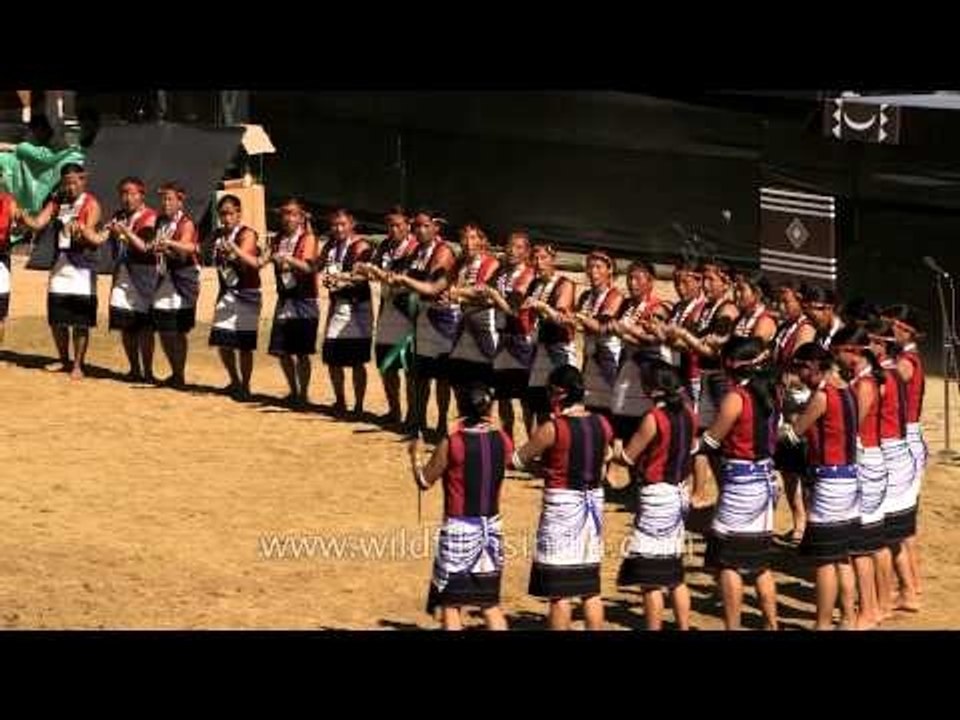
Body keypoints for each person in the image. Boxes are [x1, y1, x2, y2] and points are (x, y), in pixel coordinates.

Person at [512, 365, 614, 630]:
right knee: (589, 588)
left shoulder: (553, 428)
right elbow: (607, 459)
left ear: (559, 393)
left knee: (559, 592)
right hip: (592, 504)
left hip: (562, 508)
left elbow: (517, 460)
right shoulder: (602, 423)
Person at [407, 381, 512, 630]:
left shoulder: (452, 442)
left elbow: (424, 481)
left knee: (451, 604)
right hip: (492, 527)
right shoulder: (503, 441)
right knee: (489, 604)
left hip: (459, 528)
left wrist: (415, 456)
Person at [699, 337, 779, 630]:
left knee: (727, 561)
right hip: (765, 478)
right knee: (758, 561)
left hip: (740, 485)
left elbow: (712, 439)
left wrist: (690, 446)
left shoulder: (737, 397)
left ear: (732, 365)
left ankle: (733, 626)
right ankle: (771, 624)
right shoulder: (772, 390)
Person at [780, 342, 860, 629]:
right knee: (842, 556)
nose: (800, 375)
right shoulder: (847, 389)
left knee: (825, 559)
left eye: (801, 368)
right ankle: (848, 618)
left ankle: (823, 623)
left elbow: (794, 434)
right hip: (848, 478)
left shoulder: (822, 397)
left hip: (829, 481)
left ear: (813, 366)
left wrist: (782, 421)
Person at [612, 359, 695, 630]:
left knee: (650, 576)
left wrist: (614, 452)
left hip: (658, 495)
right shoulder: (688, 412)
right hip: (680, 490)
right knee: (674, 569)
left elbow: (628, 457)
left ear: (651, 388)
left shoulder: (654, 418)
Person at [17, 163, 105, 380]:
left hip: (82, 268)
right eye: (67, 183)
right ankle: (63, 359)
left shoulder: (91, 204)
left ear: (83, 180)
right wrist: (23, 216)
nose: (71, 187)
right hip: (60, 265)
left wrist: (80, 231)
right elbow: (38, 223)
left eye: (75, 182)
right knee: (57, 318)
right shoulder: (58, 201)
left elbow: (91, 232)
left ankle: (78, 364)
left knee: (80, 320)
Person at [389, 210, 457, 436]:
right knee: (421, 374)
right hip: (421, 315)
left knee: (443, 377)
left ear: (436, 227)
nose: (420, 230)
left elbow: (431, 285)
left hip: (442, 319)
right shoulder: (418, 250)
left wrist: (404, 280)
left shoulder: (444, 251)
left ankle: (441, 422)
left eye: (425, 225)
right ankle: (418, 418)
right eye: (416, 226)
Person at [882, 303, 925, 597]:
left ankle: (908, 588)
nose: (887, 331)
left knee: (897, 520)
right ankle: (912, 584)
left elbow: (887, 384)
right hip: (908, 437)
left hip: (904, 438)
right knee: (904, 521)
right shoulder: (904, 357)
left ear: (904, 329)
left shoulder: (906, 362)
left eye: (891, 325)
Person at [364, 207, 419, 426]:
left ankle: (412, 414)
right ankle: (394, 411)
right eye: (390, 225)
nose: (393, 229)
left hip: (408, 312)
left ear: (408, 226)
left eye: (398, 225)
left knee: (408, 370)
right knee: (387, 366)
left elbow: (406, 278)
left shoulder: (415, 248)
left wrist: (379, 274)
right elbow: (375, 270)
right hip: (387, 309)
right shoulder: (384, 246)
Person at [318, 208, 374, 417]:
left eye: (342, 224)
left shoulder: (362, 246)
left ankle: (359, 405)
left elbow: (363, 277)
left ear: (352, 223)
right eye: (334, 225)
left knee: (357, 360)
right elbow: (316, 266)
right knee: (332, 356)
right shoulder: (330, 246)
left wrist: (341, 279)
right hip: (338, 306)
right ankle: (340, 401)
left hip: (359, 308)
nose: (338, 228)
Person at [481, 230, 536, 441]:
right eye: (510, 246)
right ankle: (508, 441)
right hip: (503, 337)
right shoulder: (501, 273)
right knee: (503, 394)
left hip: (522, 338)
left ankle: (531, 443)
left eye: (518, 247)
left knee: (525, 397)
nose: (512, 251)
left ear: (527, 252)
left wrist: (493, 296)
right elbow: (485, 292)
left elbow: (514, 308)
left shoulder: (529, 274)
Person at [208, 194, 264, 400]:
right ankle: (234, 380)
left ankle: (246, 385)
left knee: (244, 344)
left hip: (247, 293)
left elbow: (248, 258)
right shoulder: (217, 235)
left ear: (239, 213)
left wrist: (232, 251)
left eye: (230, 213)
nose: (226, 218)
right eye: (223, 214)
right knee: (222, 339)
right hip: (227, 292)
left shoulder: (247, 233)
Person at [105, 177, 159, 382]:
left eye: (132, 193)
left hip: (144, 274)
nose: (127, 198)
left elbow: (145, 246)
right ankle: (134, 368)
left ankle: (148, 371)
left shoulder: (150, 217)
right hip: (122, 273)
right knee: (125, 323)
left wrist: (125, 232)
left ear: (141, 195)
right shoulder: (119, 215)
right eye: (123, 193)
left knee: (144, 326)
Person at [267, 198, 319, 407]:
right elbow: (264, 260)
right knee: (281, 350)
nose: (288, 218)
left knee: (302, 352)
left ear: (301, 217)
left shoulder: (308, 239)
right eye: (285, 213)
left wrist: (287, 259)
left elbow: (308, 267)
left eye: (293, 214)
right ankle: (293, 390)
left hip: (304, 300)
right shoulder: (276, 239)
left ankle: (304, 394)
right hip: (284, 299)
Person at [151, 182, 200, 388]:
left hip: (182, 279)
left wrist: (169, 244)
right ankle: (174, 371)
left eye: (170, 199)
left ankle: (179, 375)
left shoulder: (186, 223)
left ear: (181, 200)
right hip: (164, 278)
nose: (165, 203)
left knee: (178, 331)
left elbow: (188, 248)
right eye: (163, 199)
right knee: (164, 328)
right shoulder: (161, 222)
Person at [523, 244, 577, 425]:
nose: (539, 263)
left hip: (559, 348)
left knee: (562, 401)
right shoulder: (535, 284)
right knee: (539, 402)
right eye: (535, 259)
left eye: (544, 258)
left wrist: (542, 306)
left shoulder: (565, 284)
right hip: (540, 347)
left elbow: (561, 318)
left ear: (553, 260)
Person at [575, 249, 624, 419]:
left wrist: (578, 317)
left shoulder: (615, 295)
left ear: (609, 270)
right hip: (590, 356)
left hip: (608, 356)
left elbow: (600, 325)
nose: (593, 272)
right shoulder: (585, 296)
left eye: (598, 267)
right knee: (590, 407)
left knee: (608, 409)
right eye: (590, 267)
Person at [0, 187, 22, 344]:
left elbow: (18, 228)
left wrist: (21, 224)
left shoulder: (9, 202)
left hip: (1, 257)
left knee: (0, 312)